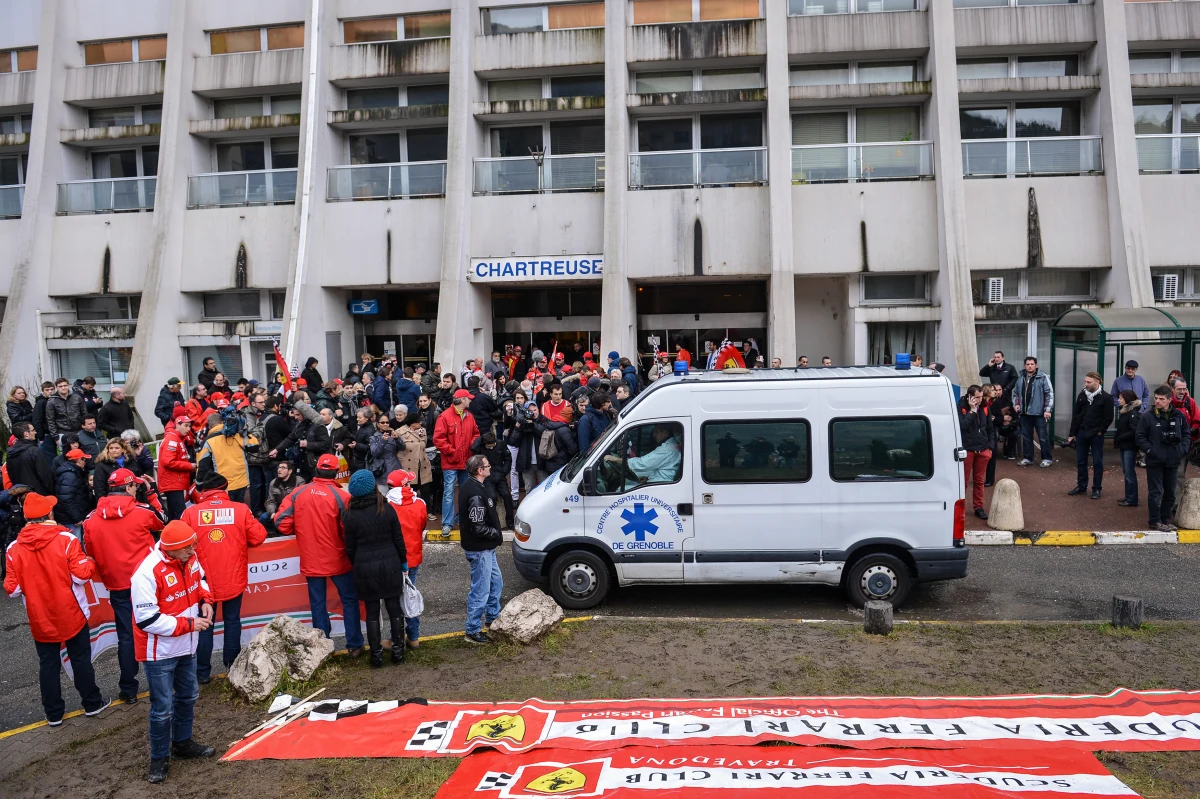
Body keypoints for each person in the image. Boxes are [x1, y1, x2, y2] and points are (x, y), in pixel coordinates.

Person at [5, 492, 108, 726]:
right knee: (80, 659)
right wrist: (90, 561)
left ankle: (53, 714)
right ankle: (92, 704)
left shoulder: (14, 548)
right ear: (49, 514)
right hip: (71, 612)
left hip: (39, 616)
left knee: (48, 664)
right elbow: (81, 576)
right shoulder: (66, 540)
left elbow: (12, 589)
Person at [131, 520, 217, 783]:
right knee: (162, 708)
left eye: (193, 546)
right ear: (171, 550)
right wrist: (190, 624)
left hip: (186, 645)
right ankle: (159, 759)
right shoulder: (146, 573)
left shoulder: (188, 557)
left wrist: (206, 601)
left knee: (189, 696)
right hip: (159, 653)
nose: (193, 551)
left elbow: (200, 579)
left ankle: (182, 744)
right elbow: (146, 620)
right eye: (187, 549)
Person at [82, 468, 166, 704]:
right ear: (129, 487)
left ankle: (129, 689)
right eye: (135, 486)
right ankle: (161, 684)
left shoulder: (90, 518)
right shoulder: (142, 511)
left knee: (126, 637)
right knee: (157, 629)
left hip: (117, 585)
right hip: (148, 583)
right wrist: (151, 494)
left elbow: (89, 551)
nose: (137, 488)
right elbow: (163, 522)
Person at [274, 453, 364, 656]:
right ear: (335, 472)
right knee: (349, 600)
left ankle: (324, 648)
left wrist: (302, 529)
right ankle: (354, 645)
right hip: (338, 558)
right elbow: (349, 530)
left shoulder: (298, 493)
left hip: (311, 557)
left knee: (318, 604)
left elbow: (281, 523)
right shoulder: (342, 496)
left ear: (316, 470)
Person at [183, 473, 267, 684]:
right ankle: (232, 666)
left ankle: (202, 673)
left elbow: (180, 544)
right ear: (225, 489)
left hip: (202, 581)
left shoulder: (191, 513)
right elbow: (258, 537)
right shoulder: (240, 509)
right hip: (233, 577)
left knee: (204, 625)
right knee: (232, 621)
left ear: (204, 491)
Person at [342, 470, 407, 668]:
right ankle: (398, 651)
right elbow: (398, 540)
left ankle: (376, 656)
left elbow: (350, 548)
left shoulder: (350, 516)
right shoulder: (386, 509)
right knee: (394, 607)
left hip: (364, 567)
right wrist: (403, 562)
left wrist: (358, 563)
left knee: (371, 610)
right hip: (390, 564)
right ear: (374, 487)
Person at [459, 454, 503, 645]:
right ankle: (473, 630)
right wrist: (496, 534)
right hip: (480, 550)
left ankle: (493, 618)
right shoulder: (476, 493)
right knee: (481, 590)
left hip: (486, 549)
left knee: (496, 583)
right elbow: (478, 526)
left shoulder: (473, 486)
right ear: (479, 470)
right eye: (487, 465)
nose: (490, 467)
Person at [1137, 386, 1191, 533]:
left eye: (1161, 399)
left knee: (1170, 491)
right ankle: (1154, 521)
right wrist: (1151, 450)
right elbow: (1140, 437)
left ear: (1169, 399)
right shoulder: (1148, 417)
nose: (1158, 401)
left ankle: (1166, 519)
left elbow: (1187, 433)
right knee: (1155, 492)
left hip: (1173, 459)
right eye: (1156, 398)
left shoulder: (1178, 416)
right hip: (1155, 460)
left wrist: (1183, 448)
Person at [384, 469, 425, 648]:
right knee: (410, 596)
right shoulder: (420, 503)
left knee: (395, 600)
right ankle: (413, 636)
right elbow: (421, 525)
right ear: (405, 485)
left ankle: (396, 639)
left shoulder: (385, 505)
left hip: (392, 559)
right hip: (413, 557)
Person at [434, 389, 480, 537]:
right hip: (451, 461)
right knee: (449, 493)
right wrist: (452, 451)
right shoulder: (445, 416)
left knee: (461, 492)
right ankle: (447, 523)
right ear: (462, 400)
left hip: (464, 461)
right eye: (468, 398)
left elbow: (475, 433)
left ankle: (460, 519)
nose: (471, 401)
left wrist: (470, 446)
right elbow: (438, 439)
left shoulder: (469, 416)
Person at [1066, 371, 1114, 500]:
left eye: (1089, 382)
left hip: (1096, 434)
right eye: (1085, 381)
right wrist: (1072, 434)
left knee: (1097, 462)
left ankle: (1096, 488)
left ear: (1097, 382)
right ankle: (1081, 486)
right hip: (1082, 432)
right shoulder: (1082, 395)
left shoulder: (1106, 398)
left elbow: (1109, 417)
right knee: (1081, 461)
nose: (1086, 384)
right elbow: (1076, 415)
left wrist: (1100, 431)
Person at [196, 407, 257, 503]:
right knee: (243, 514)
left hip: (223, 486)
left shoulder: (207, 441)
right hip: (243, 484)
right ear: (222, 422)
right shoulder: (238, 436)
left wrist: (199, 485)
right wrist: (245, 430)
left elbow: (203, 466)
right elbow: (255, 447)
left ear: (209, 426)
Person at [1012, 356, 1054, 467]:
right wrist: (1016, 404)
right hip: (1025, 414)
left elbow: (1049, 394)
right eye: (1027, 364)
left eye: (1032, 364)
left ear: (1036, 365)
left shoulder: (1043, 377)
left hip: (1039, 414)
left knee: (1043, 437)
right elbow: (1015, 393)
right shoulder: (1021, 378)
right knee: (1026, 437)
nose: (1030, 366)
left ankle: (1047, 458)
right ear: (1024, 366)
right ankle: (1028, 458)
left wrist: (1048, 410)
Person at [959, 385, 993, 520]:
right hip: (968, 448)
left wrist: (990, 448)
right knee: (964, 481)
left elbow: (990, 428)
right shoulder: (961, 407)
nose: (979, 400)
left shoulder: (985, 408)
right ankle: (960, 508)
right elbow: (962, 425)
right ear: (970, 397)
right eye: (977, 397)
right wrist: (972, 411)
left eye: (980, 397)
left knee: (979, 481)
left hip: (982, 448)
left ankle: (978, 507)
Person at [158, 410, 196, 520]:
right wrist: (189, 466)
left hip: (175, 482)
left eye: (189, 426)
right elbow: (168, 461)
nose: (188, 429)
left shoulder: (176, 438)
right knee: (179, 514)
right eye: (186, 426)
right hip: (173, 483)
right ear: (177, 425)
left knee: (175, 514)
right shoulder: (172, 440)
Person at [7, 421, 55, 495]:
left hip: (22, 495)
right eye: (32, 430)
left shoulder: (10, 454)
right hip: (39, 494)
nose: (35, 432)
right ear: (26, 434)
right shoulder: (35, 451)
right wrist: (51, 491)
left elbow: (11, 476)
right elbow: (45, 475)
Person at [1170, 378, 1200, 493]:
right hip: (1168, 444)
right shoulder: (1166, 401)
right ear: (1172, 389)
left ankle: (1176, 504)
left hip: (1184, 444)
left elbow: (1197, 420)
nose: (1182, 391)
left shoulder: (1190, 402)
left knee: (1179, 473)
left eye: (1184, 389)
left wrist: (1193, 432)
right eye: (1179, 389)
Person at [1113, 389, 1142, 508]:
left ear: (1127, 400)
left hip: (1129, 446)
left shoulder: (1132, 413)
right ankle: (1129, 495)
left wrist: (1120, 437)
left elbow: (1134, 430)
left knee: (1129, 473)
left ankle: (1132, 498)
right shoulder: (1126, 412)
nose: (1119, 400)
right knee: (1127, 472)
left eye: (1121, 398)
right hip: (1125, 445)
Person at [54, 448, 93, 532]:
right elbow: (66, 499)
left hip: (71, 517)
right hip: (71, 520)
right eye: (84, 459)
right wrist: (76, 518)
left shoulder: (73, 472)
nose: (85, 462)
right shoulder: (70, 476)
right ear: (79, 460)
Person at [397, 412, 433, 500]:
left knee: (426, 492)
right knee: (409, 493)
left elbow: (424, 446)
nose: (420, 423)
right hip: (408, 468)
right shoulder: (399, 433)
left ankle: (427, 511)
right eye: (418, 422)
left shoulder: (423, 431)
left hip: (423, 467)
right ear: (412, 423)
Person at [263, 460, 305, 530]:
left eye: (283, 468)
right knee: (263, 518)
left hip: (292, 511)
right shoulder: (273, 482)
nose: (279, 470)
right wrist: (272, 513)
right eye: (279, 467)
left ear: (290, 471)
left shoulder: (299, 482)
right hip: (278, 510)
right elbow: (270, 501)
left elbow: (301, 502)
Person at [47, 377, 85, 448]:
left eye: (65, 385)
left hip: (79, 431)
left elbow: (84, 414)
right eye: (60, 386)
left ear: (68, 386)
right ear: (56, 388)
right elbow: (50, 420)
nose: (63, 388)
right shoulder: (51, 401)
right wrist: (55, 437)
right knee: (66, 455)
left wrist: (85, 429)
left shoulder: (77, 397)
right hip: (62, 432)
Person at [32, 381, 56, 457]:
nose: (50, 391)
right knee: (48, 457)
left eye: (52, 389)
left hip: (53, 432)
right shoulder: (41, 402)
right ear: (43, 391)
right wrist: (41, 436)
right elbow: (37, 420)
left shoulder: (54, 400)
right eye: (47, 390)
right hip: (45, 434)